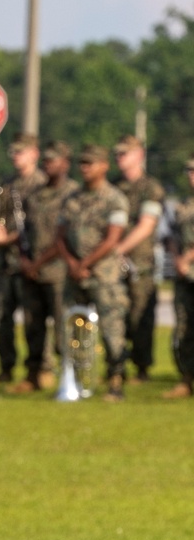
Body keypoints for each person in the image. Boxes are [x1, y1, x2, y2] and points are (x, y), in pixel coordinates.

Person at [57, 144, 129, 401]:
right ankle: (74, 382)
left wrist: (85, 263)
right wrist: (72, 263)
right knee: (72, 328)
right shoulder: (72, 199)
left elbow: (112, 240)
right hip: (74, 273)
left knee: (111, 328)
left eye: (90, 163)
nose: (84, 168)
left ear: (104, 166)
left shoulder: (115, 199)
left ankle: (115, 380)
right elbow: (60, 236)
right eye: (82, 163)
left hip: (104, 274)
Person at [17, 142, 78, 393]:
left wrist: (38, 262)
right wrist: (24, 259)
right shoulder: (35, 195)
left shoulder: (73, 193)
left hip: (58, 272)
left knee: (63, 329)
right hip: (32, 272)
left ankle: (67, 377)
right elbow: (24, 232)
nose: (48, 164)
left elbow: (65, 237)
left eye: (53, 160)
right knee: (33, 326)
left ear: (65, 163)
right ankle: (34, 375)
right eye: (46, 160)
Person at [0, 133, 43, 385]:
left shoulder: (40, 183)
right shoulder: (7, 182)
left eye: (21, 152)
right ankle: (6, 368)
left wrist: (8, 238)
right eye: (13, 152)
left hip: (29, 259)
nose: (16, 157)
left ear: (34, 153)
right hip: (5, 261)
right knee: (2, 316)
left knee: (33, 318)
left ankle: (39, 369)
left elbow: (37, 224)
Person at [114, 136, 166, 381]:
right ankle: (116, 366)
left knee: (140, 317)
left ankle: (142, 369)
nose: (120, 157)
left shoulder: (150, 188)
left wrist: (118, 247)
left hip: (140, 264)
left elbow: (146, 226)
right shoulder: (113, 186)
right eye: (117, 153)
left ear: (139, 156)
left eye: (125, 153)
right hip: (113, 264)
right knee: (115, 315)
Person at [164, 155, 194, 399]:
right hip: (184, 277)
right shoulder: (182, 206)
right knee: (183, 329)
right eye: (188, 170)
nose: (191, 175)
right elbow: (171, 236)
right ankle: (185, 379)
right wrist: (177, 258)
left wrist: (187, 257)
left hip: (188, 266)